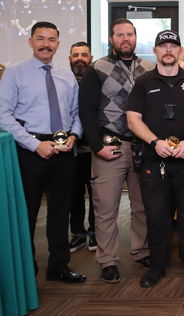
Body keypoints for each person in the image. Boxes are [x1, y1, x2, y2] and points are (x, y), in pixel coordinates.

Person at [126, 30, 184, 288]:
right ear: (155, 51)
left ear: (180, 50)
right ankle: (157, 266)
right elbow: (133, 120)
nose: (168, 50)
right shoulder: (143, 83)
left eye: (172, 46)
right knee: (157, 215)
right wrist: (155, 142)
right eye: (162, 46)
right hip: (155, 161)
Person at [0, 21, 86, 283]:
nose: (46, 44)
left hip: (63, 150)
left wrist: (74, 135)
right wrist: (35, 144)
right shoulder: (15, 72)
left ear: (58, 44)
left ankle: (58, 267)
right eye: (40, 39)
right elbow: (3, 115)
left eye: (51, 40)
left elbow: (76, 112)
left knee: (61, 211)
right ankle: (26, 270)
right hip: (30, 150)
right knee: (27, 212)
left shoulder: (66, 74)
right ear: (30, 41)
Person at [79, 18, 152, 283]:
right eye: (120, 35)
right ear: (112, 39)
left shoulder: (148, 68)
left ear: (135, 37)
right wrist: (97, 146)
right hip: (109, 147)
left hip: (141, 147)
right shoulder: (96, 68)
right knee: (106, 207)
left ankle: (141, 250)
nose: (125, 39)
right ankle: (107, 260)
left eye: (129, 34)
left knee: (142, 205)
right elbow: (86, 110)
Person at [68, 42, 96, 253]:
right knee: (73, 194)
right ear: (69, 58)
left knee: (97, 194)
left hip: (94, 148)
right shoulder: (62, 80)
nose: (80, 58)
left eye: (84, 55)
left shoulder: (97, 80)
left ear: (91, 58)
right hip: (69, 148)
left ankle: (95, 233)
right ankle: (78, 233)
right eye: (75, 55)